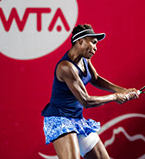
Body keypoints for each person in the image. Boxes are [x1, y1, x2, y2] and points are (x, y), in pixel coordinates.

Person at [41, 24, 139, 159]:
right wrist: (115, 96)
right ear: (80, 41)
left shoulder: (85, 60)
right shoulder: (66, 67)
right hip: (59, 119)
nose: (95, 47)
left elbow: (96, 79)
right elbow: (86, 101)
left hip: (76, 119)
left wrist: (124, 91)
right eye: (92, 42)